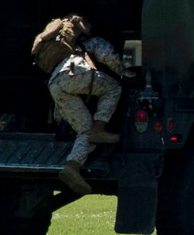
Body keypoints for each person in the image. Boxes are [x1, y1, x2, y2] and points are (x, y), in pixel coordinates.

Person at [34, 14, 126, 195]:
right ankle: (100, 128)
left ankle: (72, 167)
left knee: (85, 130)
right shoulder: (91, 42)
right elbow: (107, 56)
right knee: (114, 88)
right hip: (75, 73)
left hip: (55, 84)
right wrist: (124, 71)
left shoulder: (66, 47)